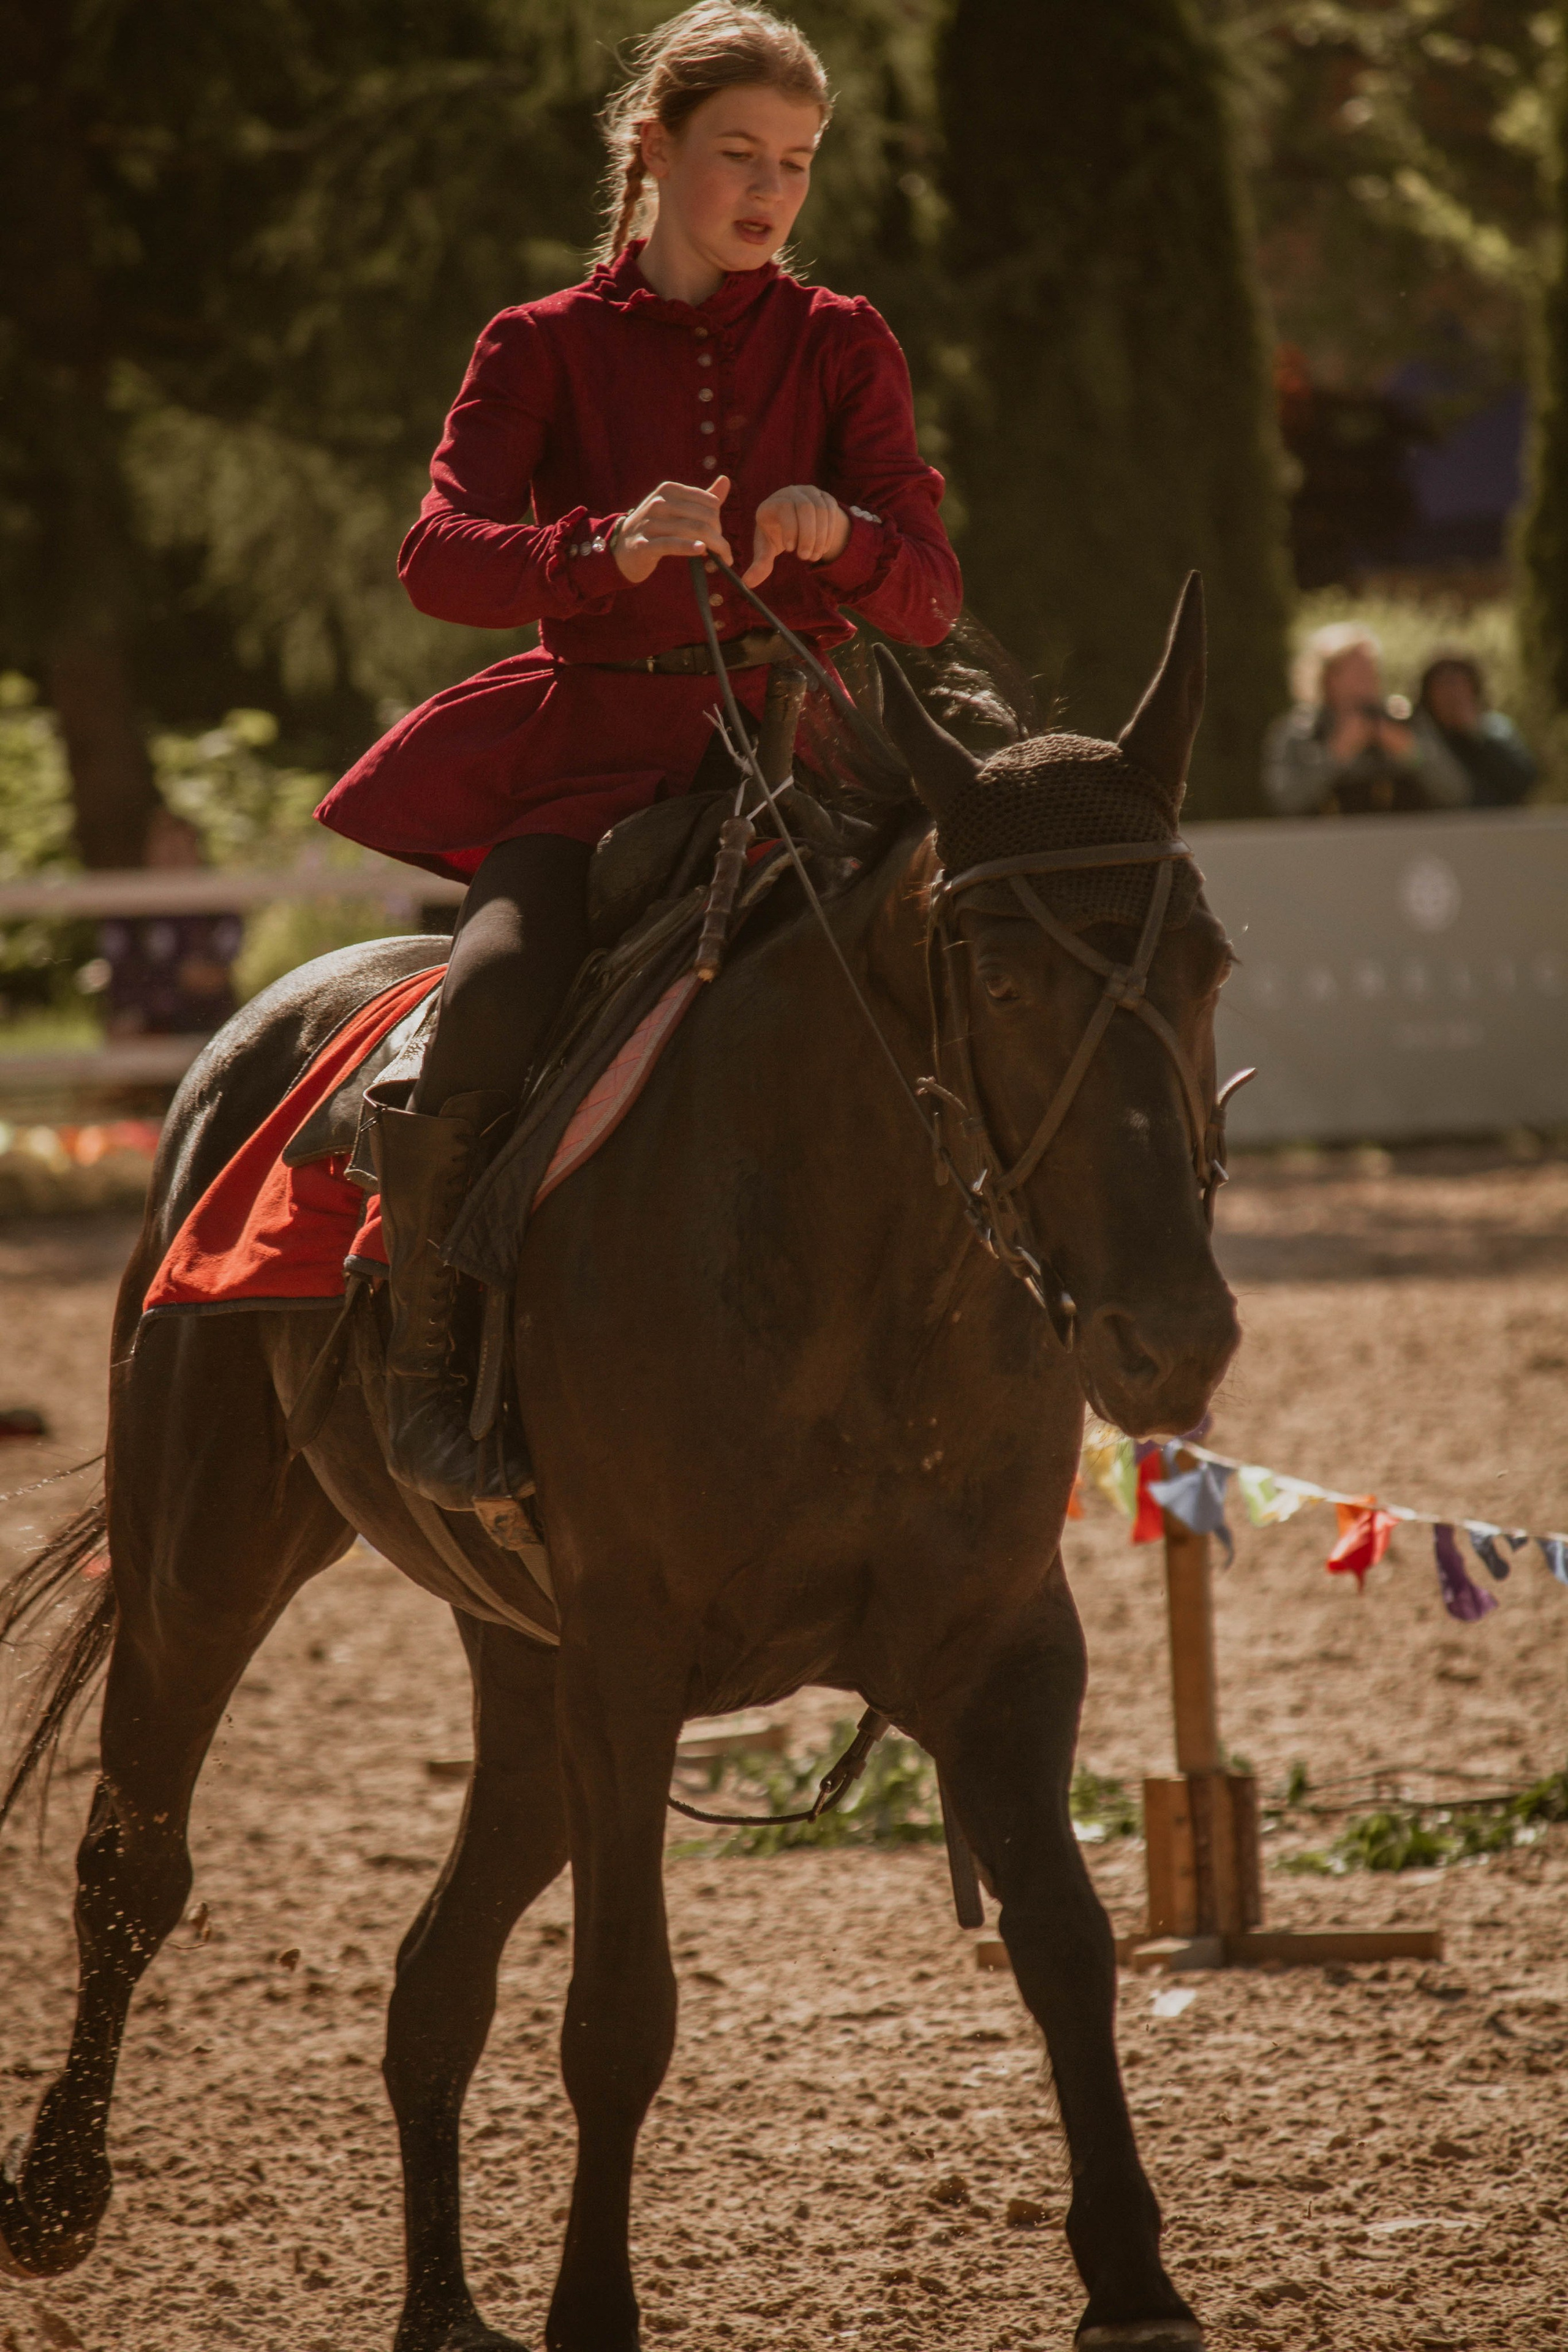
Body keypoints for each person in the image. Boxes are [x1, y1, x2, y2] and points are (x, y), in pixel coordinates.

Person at [314, 2, 962, 1509]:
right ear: (654, 147)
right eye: (737, 153)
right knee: (483, 1007)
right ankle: (428, 1368)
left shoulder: (841, 337)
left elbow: (927, 597)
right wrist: (593, 550)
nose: (766, 190)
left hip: (809, 770)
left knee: (984, 983)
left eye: (794, 164)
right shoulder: (535, 343)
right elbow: (435, 558)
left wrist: (846, 534)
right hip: (592, 767)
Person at [1262, 622, 1469, 818]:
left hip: (1404, 847)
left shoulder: (1405, 720)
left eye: (1372, 669)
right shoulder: (1302, 732)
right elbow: (1284, 802)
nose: (1369, 679)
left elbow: (1456, 793)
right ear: (1328, 679)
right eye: (1357, 671)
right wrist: (1335, 756)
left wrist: (1411, 752)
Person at [1415, 650, 1537, 809]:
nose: (1452, 695)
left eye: (1459, 684)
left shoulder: (1497, 729)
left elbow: (1524, 779)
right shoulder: (1423, 738)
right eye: (1442, 685)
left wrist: (1477, 733)